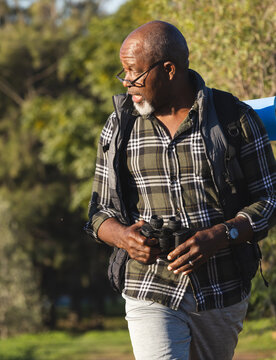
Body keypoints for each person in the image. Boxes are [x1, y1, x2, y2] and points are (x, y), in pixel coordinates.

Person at [86, 21, 276, 360]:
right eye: (124, 72)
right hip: (149, 288)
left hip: (222, 290)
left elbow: (269, 201)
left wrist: (220, 235)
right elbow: (98, 214)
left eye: (134, 72)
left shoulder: (235, 118)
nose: (127, 82)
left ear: (169, 69)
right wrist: (124, 238)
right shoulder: (120, 125)